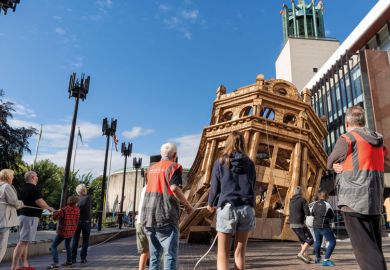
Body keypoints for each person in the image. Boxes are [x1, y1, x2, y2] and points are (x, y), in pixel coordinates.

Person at [328, 106, 388, 270]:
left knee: (366, 253)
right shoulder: (378, 139)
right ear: (363, 122)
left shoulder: (347, 138)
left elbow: (330, 160)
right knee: (374, 249)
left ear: (347, 123)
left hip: (353, 202)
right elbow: (381, 156)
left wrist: (335, 165)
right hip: (374, 202)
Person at [207, 131, 256, 270]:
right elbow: (252, 185)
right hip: (246, 208)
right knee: (240, 253)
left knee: (222, 253)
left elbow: (214, 186)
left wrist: (211, 203)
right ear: (243, 143)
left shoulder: (220, 162)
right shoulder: (250, 163)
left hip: (227, 206)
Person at [141, 142, 194, 270]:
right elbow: (174, 187)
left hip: (148, 217)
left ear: (161, 154)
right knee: (170, 255)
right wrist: (187, 205)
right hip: (166, 216)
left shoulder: (151, 169)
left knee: (154, 257)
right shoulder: (174, 167)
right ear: (174, 155)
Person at [12, 171, 54, 270]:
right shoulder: (33, 188)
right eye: (36, 176)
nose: (37, 177)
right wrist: (49, 208)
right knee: (22, 242)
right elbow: (40, 202)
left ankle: (25, 265)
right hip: (30, 217)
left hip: (23, 216)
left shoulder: (23, 188)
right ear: (32, 177)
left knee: (24, 242)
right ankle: (15, 266)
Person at [47, 196, 80, 269]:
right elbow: (77, 221)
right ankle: (69, 261)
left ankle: (55, 263)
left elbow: (55, 218)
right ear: (76, 202)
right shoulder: (77, 210)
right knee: (68, 246)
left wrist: (55, 212)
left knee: (53, 246)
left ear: (69, 201)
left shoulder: (64, 210)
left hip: (63, 232)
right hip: (71, 231)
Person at [0, 169, 24, 263]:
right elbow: (14, 202)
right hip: (4, 221)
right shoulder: (6, 187)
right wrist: (21, 203)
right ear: (8, 176)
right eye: (12, 175)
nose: (13, 177)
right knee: (2, 246)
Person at [289, 186, 314, 263]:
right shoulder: (302, 200)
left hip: (292, 224)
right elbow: (307, 213)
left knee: (303, 240)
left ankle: (305, 255)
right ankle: (301, 253)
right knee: (311, 239)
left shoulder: (291, 200)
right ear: (301, 193)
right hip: (299, 223)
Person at [311, 190, 336, 266]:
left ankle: (317, 258)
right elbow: (332, 216)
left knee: (318, 242)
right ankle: (326, 260)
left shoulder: (314, 204)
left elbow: (312, 213)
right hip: (324, 226)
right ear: (326, 197)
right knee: (332, 241)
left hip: (315, 225)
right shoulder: (327, 204)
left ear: (319, 196)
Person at [71, 184, 92, 264]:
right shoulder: (88, 197)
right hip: (86, 222)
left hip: (76, 222)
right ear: (84, 190)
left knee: (75, 240)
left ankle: (73, 258)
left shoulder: (74, 199)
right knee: (85, 241)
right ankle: (83, 258)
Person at [136, 184, 149, 270]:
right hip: (149, 222)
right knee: (156, 251)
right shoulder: (155, 185)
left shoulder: (144, 187)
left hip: (140, 222)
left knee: (144, 252)